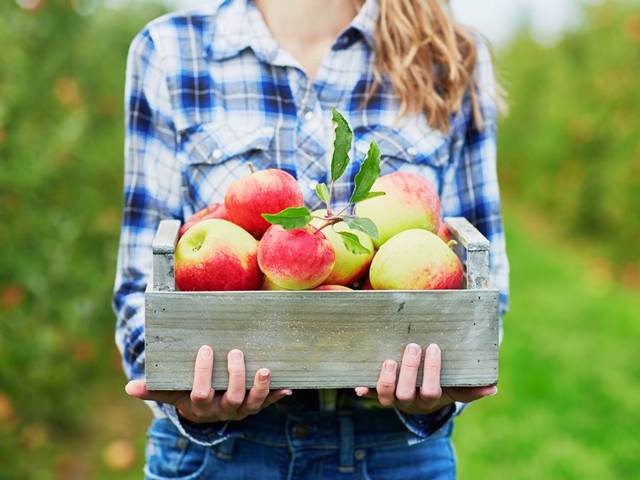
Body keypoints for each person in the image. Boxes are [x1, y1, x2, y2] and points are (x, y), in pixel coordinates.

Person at [113, 0, 509, 478]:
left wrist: (441, 389)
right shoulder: (172, 51)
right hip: (219, 455)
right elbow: (141, 277)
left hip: (392, 450)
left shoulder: (447, 54)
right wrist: (180, 389)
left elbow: (483, 278)